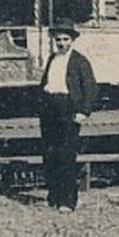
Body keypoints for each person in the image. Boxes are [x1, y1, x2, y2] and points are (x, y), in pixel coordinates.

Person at [37, 22, 98, 212]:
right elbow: (45, 82)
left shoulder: (80, 61)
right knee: (50, 153)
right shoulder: (52, 58)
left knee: (66, 154)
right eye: (58, 40)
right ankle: (54, 196)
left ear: (72, 40)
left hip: (68, 109)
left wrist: (83, 111)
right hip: (50, 108)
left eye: (65, 39)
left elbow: (91, 87)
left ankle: (67, 201)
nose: (62, 43)